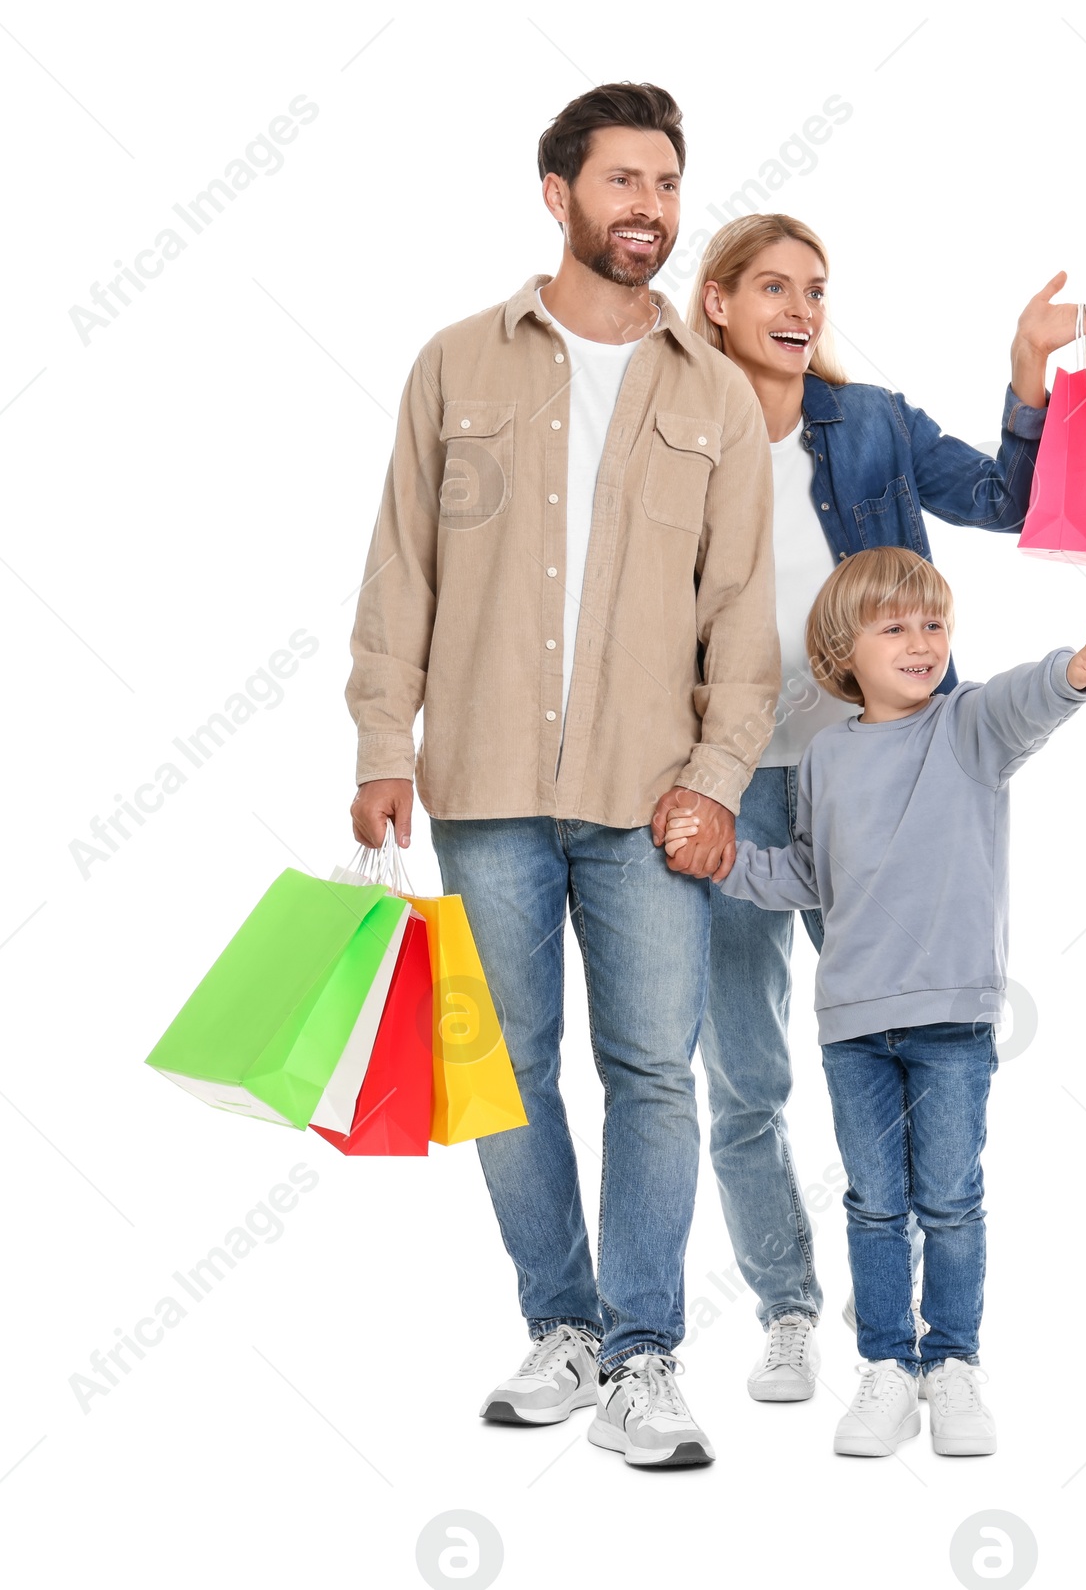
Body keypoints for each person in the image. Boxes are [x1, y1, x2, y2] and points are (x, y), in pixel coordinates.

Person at [345, 83, 780, 1470]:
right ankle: (565, 1327)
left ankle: (647, 1354)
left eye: (667, 183)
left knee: (655, 1069)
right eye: (622, 182)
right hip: (479, 781)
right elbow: (400, 570)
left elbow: (743, 616)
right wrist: (377, 743)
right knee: (506, 1073)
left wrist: (713, 779)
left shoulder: (716, 396)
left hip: (651, 796)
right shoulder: (456, 366)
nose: (649, 207)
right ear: (558, 193)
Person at [655, 213, 1086, 1402]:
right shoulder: (668, 439)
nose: (800, 306)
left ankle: (911, 1337)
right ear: (714, 303)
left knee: (910, 1035)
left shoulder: (874, 427)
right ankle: (790, 1307)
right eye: (771, 286)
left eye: (814, 287)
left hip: (884, 765)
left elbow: (1009, 501)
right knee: (745, 1069)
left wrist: (1030, 370)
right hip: (731, 776)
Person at [665, 546, 1086, 1455]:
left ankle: (954, 1366)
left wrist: (1068, 676)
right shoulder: (826, 758)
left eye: (935, 624)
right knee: (876, 1204)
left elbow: (1021, 703)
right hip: (856, 1029)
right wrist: (723, 862)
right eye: (896, 627)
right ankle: (887, 1368)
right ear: (845, 647)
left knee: (950, 1200)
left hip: (953, 1022)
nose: (923, 643)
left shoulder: (967, 728)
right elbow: (803, 871)